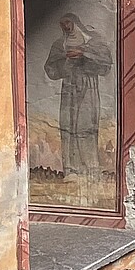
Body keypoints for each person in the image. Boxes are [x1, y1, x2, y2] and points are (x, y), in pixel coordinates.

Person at [43, 12, 114, 179]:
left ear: (76, 22)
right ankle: (71, 169)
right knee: (68, 127)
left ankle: (90, 168)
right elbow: (51, 69)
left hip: (88, 87)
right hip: (69, 88)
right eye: (62, 24)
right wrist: (66, 59)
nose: (66, 27)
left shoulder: (94, 42)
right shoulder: (60, 44)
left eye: (68, 22)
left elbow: (105, 65)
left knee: (86, 126)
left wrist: (84, 54)